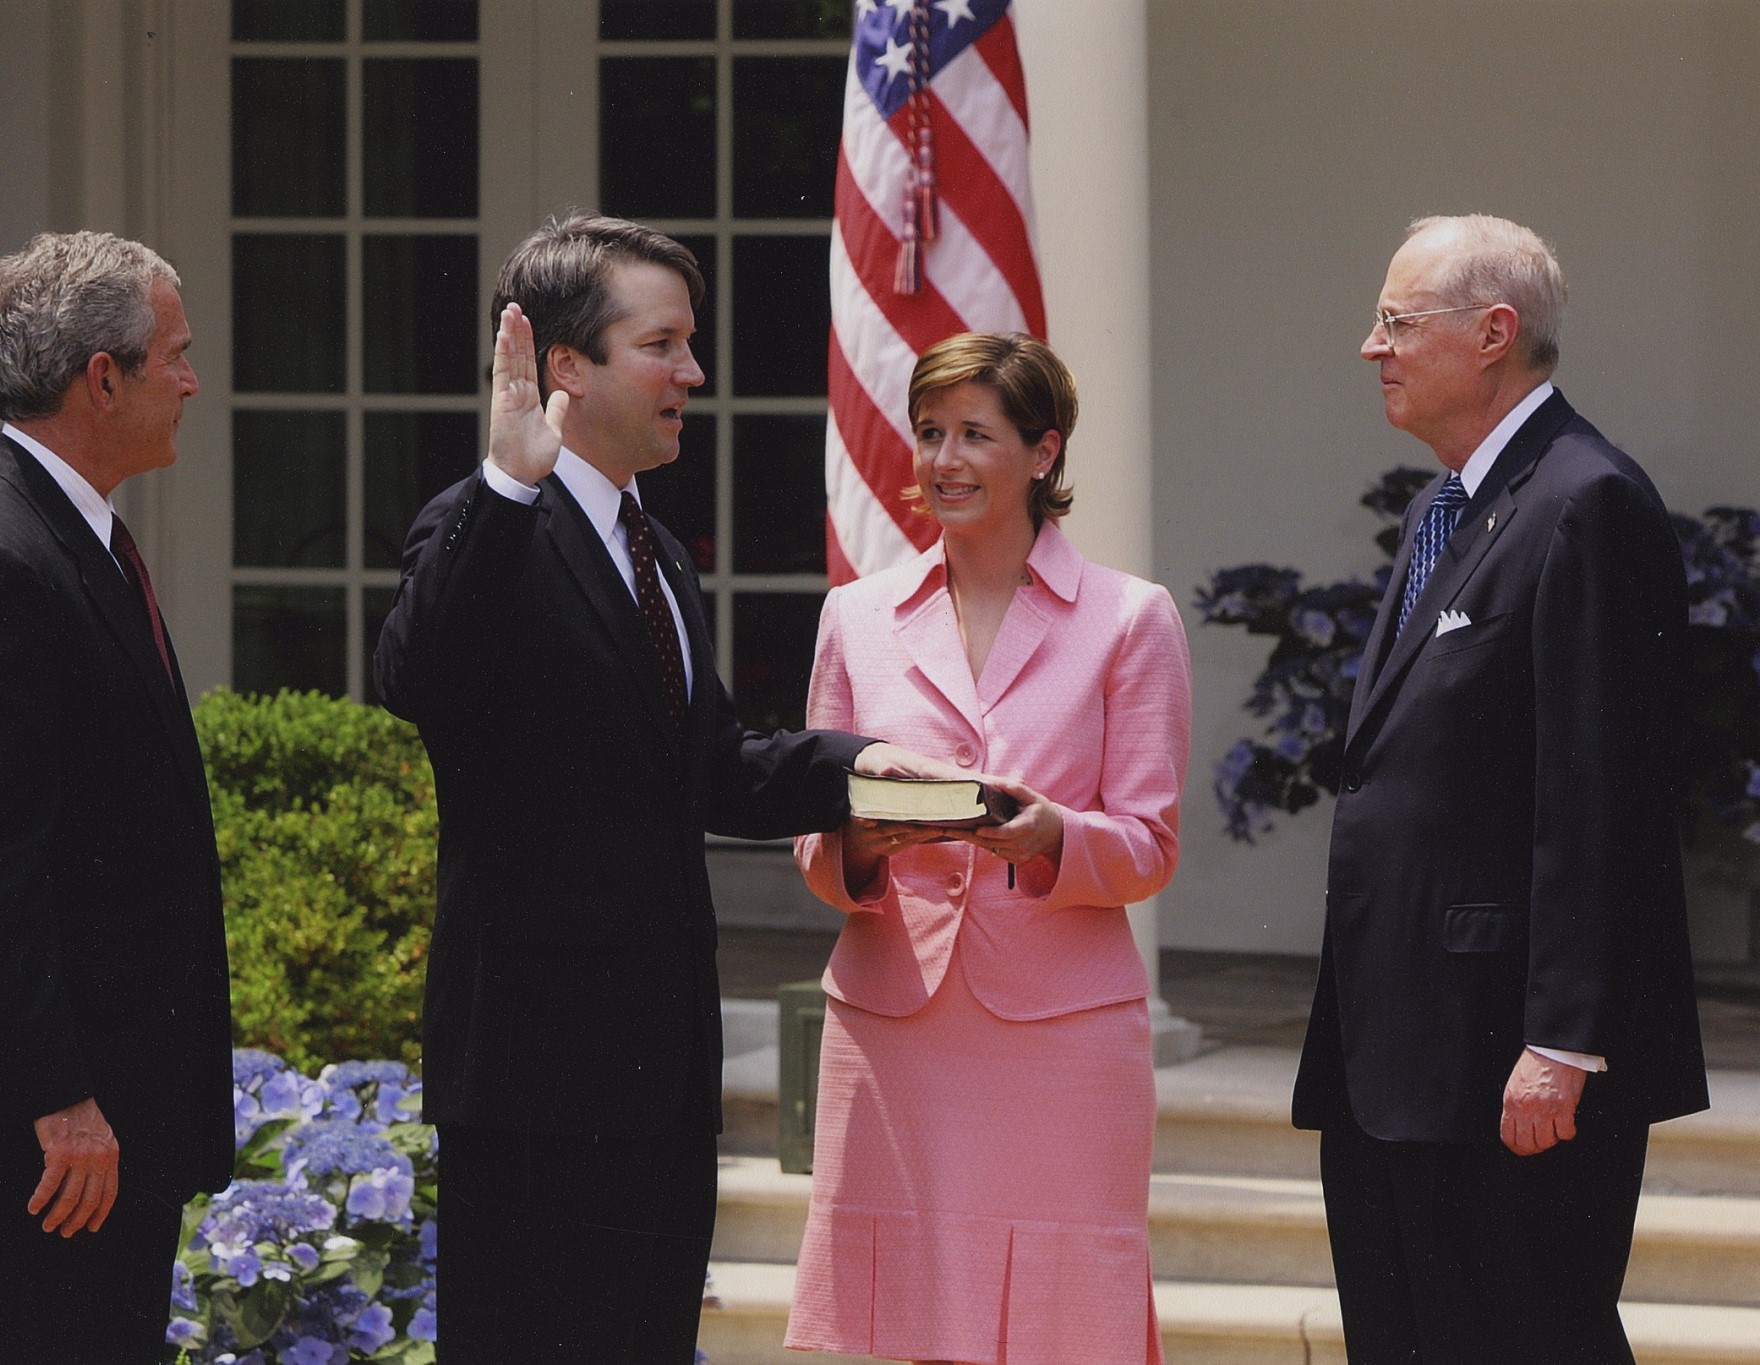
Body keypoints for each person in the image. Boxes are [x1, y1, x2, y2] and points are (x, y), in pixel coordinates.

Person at [374, 213, 932, 1363]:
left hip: (659, 1068)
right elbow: (415, 677)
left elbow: (708, 763)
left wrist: (858, 770)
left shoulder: (654, 547)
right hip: (533, 1077)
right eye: (662, 344)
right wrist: (502, 487)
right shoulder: (483, 526)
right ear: (561, 367)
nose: (693, 373)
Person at [1291, 215, 1710, 1362]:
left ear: (1490, 335)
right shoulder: (1451, 507)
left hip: (1503, 1056)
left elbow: (1603, 791)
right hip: (1400, 1052)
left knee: (1525, 1337)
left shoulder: (1584, 502)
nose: (1367, 347)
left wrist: (1564, 1040)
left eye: (1393, 322)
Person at [784, 332, 1190, 1365]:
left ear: (1042, 453)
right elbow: (813, 840)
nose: (942, 460)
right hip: (894, 1028)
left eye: (974, 434)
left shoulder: (1130, 618)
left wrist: (1052, 834)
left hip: (1057, 1033)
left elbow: (1146, 847)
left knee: (1061, 1338)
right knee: (914, 1326)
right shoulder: (855, 617)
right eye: (928, 433)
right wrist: (862, 844)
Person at [0, 230, 230, 1362]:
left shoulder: (63, 538)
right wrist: (60, 1098)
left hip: (90, 1138)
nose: (189, 379)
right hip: (37, 1153)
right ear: (102, 377)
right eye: (171, 353)